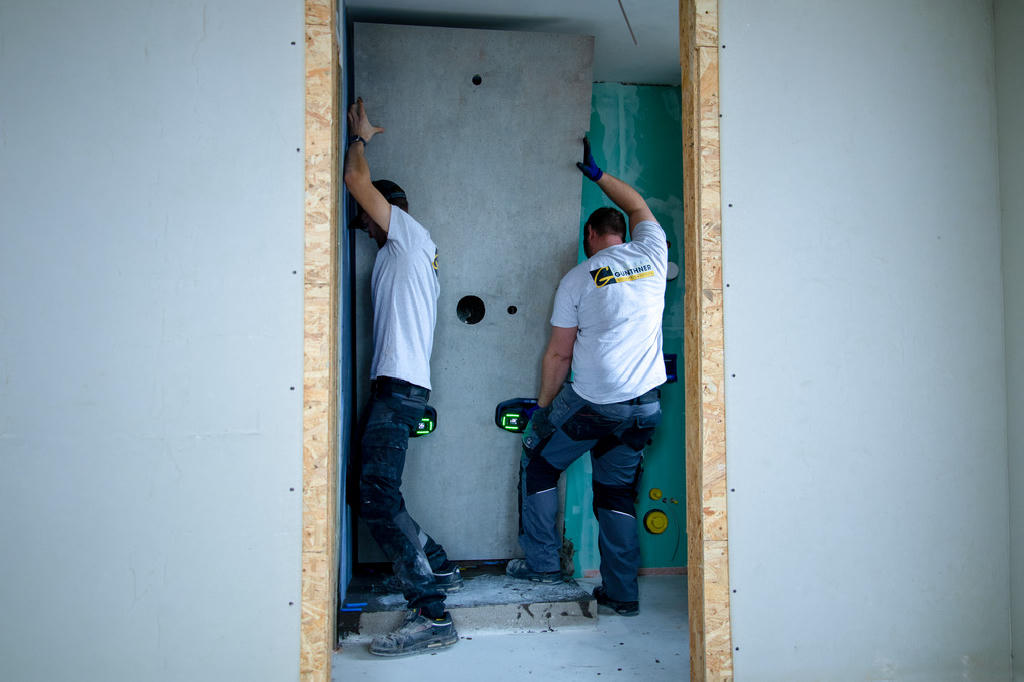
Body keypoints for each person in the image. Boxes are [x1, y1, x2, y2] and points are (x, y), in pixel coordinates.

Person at [506, 138, 667, 617]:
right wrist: (599, 176)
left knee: (539, 463)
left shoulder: (579, 277)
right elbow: (637, 202)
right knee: (615, 494)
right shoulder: (654, 254)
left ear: (592, 234)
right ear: (624, 234)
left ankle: (541, 565)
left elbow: (559, 354)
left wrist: (541, 407)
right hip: (645, 407)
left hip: (595, 403)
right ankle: (621, 595)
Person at [344, 98, 460, 656]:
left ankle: (432, 614)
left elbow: (354, 179)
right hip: (400, 387)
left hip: (399, 389)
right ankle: (435, 563)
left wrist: (360, 139)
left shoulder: (408, 234)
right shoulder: (410, 250)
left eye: (364, 216)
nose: (360, 226)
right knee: (371, 491)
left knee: (376, 496)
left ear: (388, 210)